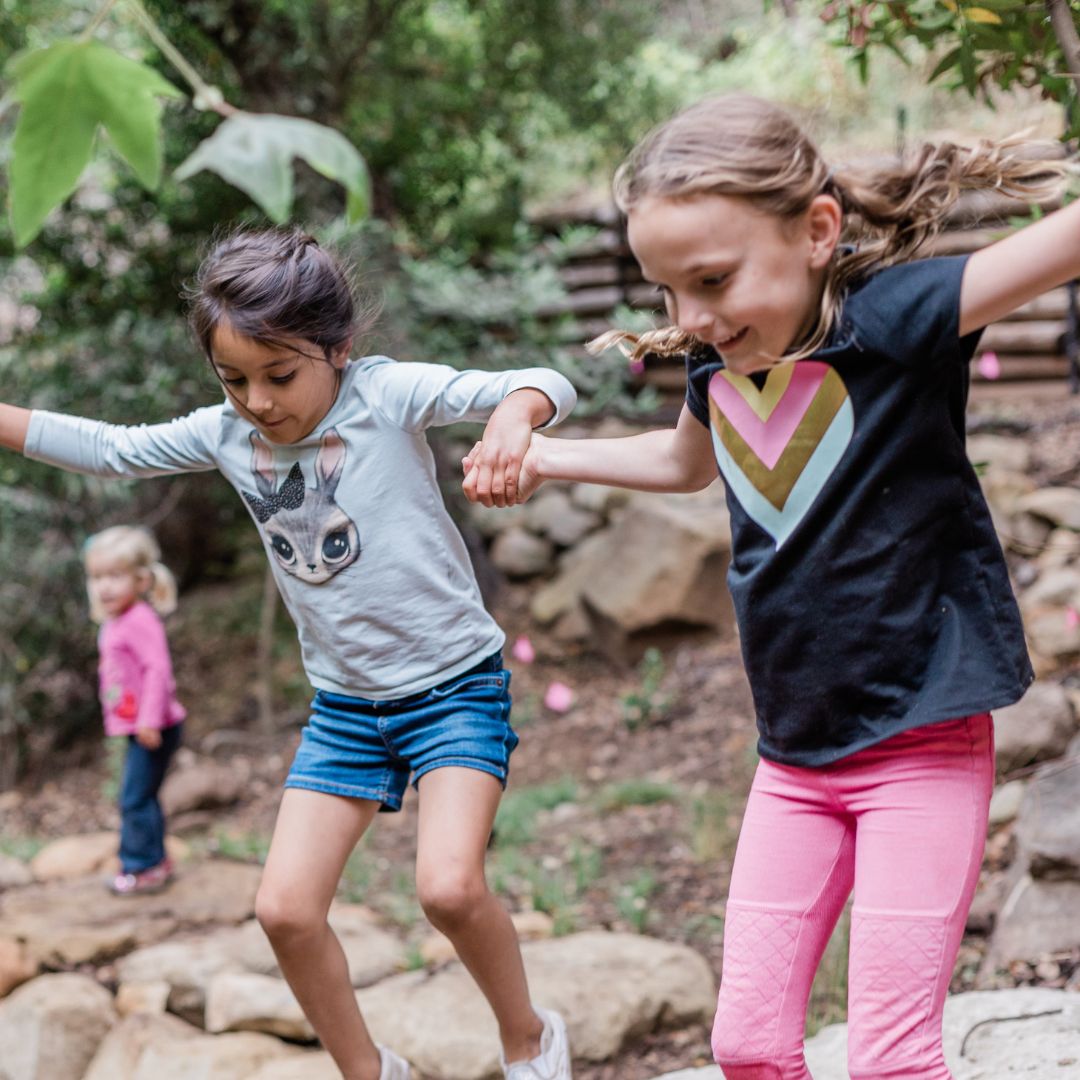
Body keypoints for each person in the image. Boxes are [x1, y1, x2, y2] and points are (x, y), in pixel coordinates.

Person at [463, 93, 1071, 1079]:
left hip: (920, 739)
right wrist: (549, 459)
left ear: (818, 232)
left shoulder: (899, 320)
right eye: (666, 293)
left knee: (890, 1059)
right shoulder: (719, 362)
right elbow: (685, 467)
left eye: (711, 280)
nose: (690, 319)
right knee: (746, 1046)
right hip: (795, 755)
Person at [0, 228, 576, 1080]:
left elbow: (545, 384)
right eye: (233, 379)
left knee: (449, 890)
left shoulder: (384, 394)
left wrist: (513, 417)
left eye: (279, 376)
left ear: (339, 350)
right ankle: (370, 1072)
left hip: (453, 688)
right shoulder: (227, 434)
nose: (257, 402)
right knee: (285, 912)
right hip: (345, 710)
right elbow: (113, 450)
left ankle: (530, 1040)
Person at [84, 524, 185, 896]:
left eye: (114, 576)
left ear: (141, 580)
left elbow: (158, 670)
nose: (104, 586)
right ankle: (157, 860)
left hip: (153, 725)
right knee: (144, 795)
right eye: (96, 577)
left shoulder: (140, 620)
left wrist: (147, 719)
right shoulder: (116, 620)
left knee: (134, 798)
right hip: (139, 725)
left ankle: (141, 868)